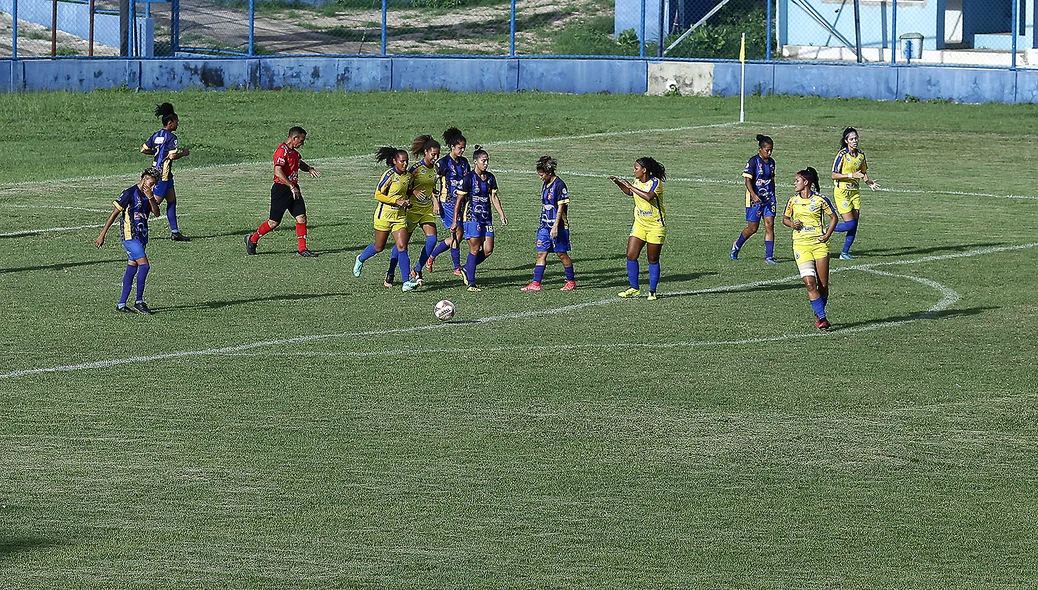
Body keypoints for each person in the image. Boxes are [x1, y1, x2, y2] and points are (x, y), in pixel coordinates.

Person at [244, 126, 321, 257]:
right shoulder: (281, 151)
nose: (302, 144)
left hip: (294, 189)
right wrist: (291, 186)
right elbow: (277, 171)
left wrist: (309, 168)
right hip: (281, 189)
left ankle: (302, 249)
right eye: (301, 141)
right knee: (273, 223)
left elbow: (299, 162)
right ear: (294, 138)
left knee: (301, 217)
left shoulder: (294, 153)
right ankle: (252, 239)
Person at [95, 167, 162, 315]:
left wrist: (150, 197)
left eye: (154, 184)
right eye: (151, 183)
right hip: (130, 236)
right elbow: (114, 214)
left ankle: (121, 304)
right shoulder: (129, 193)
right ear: (144, 178)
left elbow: (157, 213)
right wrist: (102, 234)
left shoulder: (149, 194)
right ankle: (139, 301)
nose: (152, 186)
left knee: (132, 268)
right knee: (144, 266)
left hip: (142, 236)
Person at [353, 147, 420, 292]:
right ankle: (360, 259)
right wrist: (396, 202)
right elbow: (378, 194)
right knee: (379, 247)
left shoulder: (408, 176)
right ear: (394, 161)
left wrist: (407, 201)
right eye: (402, 161)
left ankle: (406, 281)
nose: (405, 164)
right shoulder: (389, 175)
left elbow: (405, 191)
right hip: (384, 216)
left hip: (400, 217)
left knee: (402, 247)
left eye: (407, 161)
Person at [782, 167, 839, 329]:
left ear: (806, 182)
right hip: (801, 245)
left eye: (797, 181)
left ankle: (818, 312)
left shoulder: (821, 200)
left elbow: (834, 218)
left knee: (823, 285)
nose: (794, 184)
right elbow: (785, 219)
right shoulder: (793, 201)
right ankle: (822, 318)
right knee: (810, 284)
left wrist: (827, 235)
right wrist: (793, 224)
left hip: (819, 245)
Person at [384, 135, 441, 288]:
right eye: (433, 154)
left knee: (432, 239)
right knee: (402, 245)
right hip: (411, 211)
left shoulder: (435, 169)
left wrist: (436, 199)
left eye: (437, 154)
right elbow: (405, 186)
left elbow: (430, 187)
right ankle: (390, 272)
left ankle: (417, 270)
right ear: (426, 152)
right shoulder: (415, 168)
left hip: (426, 210)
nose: (435, 157)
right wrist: (414, 192)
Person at [609, 157, 667, 301]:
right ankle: (634, 288)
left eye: (636, 168)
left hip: (655, 226)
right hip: (640, 225)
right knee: (631, 255)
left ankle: (652, 291)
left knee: (652, 259)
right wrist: (619, 184)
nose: (634, 170)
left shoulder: (655, 183)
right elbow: (630, 193)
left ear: (644, 170)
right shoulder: (636, 182)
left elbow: (648, 197)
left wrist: (630, 186)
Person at [453, 145, 507, 292]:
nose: (486, 164)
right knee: (475, 248)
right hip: (471, 218)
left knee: (488, 250)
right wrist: (455, 221)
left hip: (486, 219)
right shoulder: (468, 178)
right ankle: (471, 283)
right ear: (476, 161)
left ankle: (466, 269)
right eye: (483, 161)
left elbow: (494, 197)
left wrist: (501, 214)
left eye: (487, 161)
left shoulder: (490, 178)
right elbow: (459, 201)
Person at [521, 155, 576, 292]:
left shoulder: (559, 185)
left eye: (542, 174)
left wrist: (555, 226)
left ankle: (571, 281)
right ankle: (536, 283)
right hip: (544, 226)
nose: (540, 177)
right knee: (541, 253)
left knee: (561, 254)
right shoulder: (545, 184)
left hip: (559, 227)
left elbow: (561, 208)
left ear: (549, 172)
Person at [141, 102, 191, 241]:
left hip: (160, 172)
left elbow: (143, 149)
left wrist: (157, 154)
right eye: (176, 122)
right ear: (170, 123)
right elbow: (173, 155)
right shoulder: (172, 138)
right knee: (152, 205)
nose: (177, 124)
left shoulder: (156, 135)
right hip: (162, 175)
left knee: (172, 200)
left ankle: (175, 232)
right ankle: (136, 224)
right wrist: (184, 153)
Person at [425, 127, 470, 276]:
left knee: (457, 236)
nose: (462, 151)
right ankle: (457, 268)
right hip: (448, 203)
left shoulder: (464, 162)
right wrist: (435, 202)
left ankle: (431, 256)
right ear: (452, 147)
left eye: (464, 148)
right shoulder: (442, 163)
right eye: (460, 148)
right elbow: (430, 182)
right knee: (458, 232)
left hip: (462, 203)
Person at [830, 126, 879, 260]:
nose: (855, 141)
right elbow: (834, 175)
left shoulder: (861, 155)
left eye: (856, 138)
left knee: (854, 224)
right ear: (846, 141)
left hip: (855, 193)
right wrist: (851, 175)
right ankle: (825, 229)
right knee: (850, 224)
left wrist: (868, 182)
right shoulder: (842, 155)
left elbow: (862, 172)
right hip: (842, 192)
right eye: (852, 139)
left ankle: (844, 253)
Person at [730, 134, 777, 263]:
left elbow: (771, 181)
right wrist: (754, 195)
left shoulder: (772, 162)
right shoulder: (753, 161)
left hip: (768, 199)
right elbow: (747, 181)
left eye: (771, 150)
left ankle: (769, 257)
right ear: (760, 149)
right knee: (752, 228)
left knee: (770, 225)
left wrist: (773, 195)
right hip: (754, 200)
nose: (769, 152)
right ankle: (737, 245)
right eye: (767, 150)